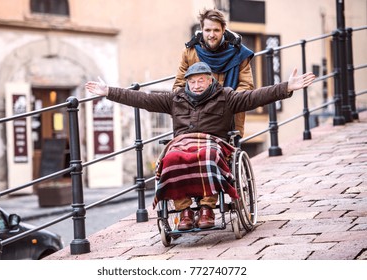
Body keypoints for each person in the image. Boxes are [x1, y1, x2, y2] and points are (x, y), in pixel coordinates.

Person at [85, 62, 315, 231]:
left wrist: (287, 87)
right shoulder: (175, 99)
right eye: (192, 81)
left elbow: (256, 97)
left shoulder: (226, 97)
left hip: (212, 142)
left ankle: (206, 207)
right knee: (170, 159)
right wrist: (108, 92)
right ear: (187, 83)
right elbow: (142, 99)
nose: (196, 85)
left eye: (201, 80)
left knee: (207, 156)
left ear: (210, 80)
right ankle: (184, 210)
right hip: (182, 143)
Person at [173, 8, 254, 138]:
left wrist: (224, 102)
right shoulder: (189, 52)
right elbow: (179, 85)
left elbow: (246, 85)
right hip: (196, 119)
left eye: (216, 30)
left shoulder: (239, 53)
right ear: (202, 30)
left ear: (223, 30)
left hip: (228, 117)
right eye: (208, 30)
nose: (212, 34)